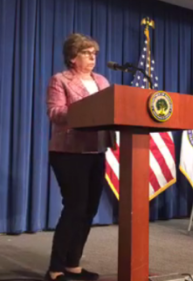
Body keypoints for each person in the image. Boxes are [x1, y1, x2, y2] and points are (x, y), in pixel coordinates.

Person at [46, 33, 115, 281]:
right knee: (74, 207)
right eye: (87, 53)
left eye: (94, 53)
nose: (92, 57)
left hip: (96, 151)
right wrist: (87, 109)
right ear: (73, 57)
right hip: (68, 152)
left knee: (89, 209)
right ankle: (55, 268)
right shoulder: (60, 80)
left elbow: (113, 109)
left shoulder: (102, 81)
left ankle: (73, 263)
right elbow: (55, 112)